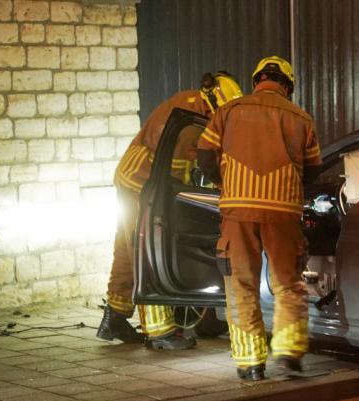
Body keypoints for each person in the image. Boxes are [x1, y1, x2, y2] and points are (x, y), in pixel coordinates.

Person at [196, 56, 322, 381]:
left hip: (238, 210)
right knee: (288, 284)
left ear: (256, 81)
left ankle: (251, 363)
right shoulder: (302, 118)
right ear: (288, 86)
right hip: (283, 211)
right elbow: (314, 170)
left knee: (241, 285)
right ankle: (289, 352)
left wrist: (226, 184)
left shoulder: (228, 111)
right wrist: (291, 190)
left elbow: (204, 154)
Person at [97, 72, 243, 350]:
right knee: (148, 250)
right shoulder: (189, 116)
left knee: (128, 250)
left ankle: (115, 316)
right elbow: (183, 167)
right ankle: (160, 331)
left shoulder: (194, 108)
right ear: (211, 101)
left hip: (136, 179)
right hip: (144, 184)